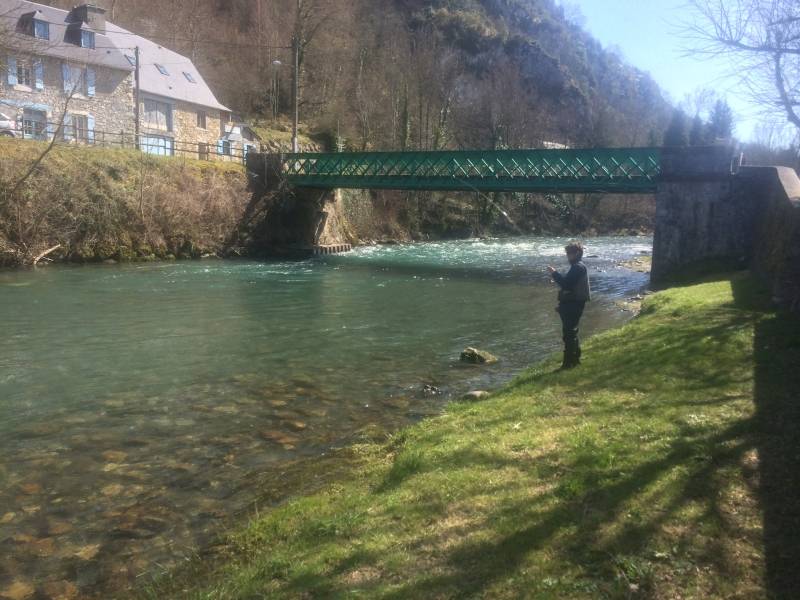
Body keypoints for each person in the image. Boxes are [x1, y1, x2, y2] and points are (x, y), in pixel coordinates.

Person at [547, 241, 591, 369]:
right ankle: (575, 361)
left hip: (573, 304)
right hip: (573, 304)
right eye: (567, 253)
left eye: (569, 253)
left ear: (577, 253)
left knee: (569, 334)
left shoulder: (578, 267)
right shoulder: (578, 266)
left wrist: (554, 273)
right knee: (572, 332)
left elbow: (566, 284)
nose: (568, 256)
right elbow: (569, 285)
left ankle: (567, 364)